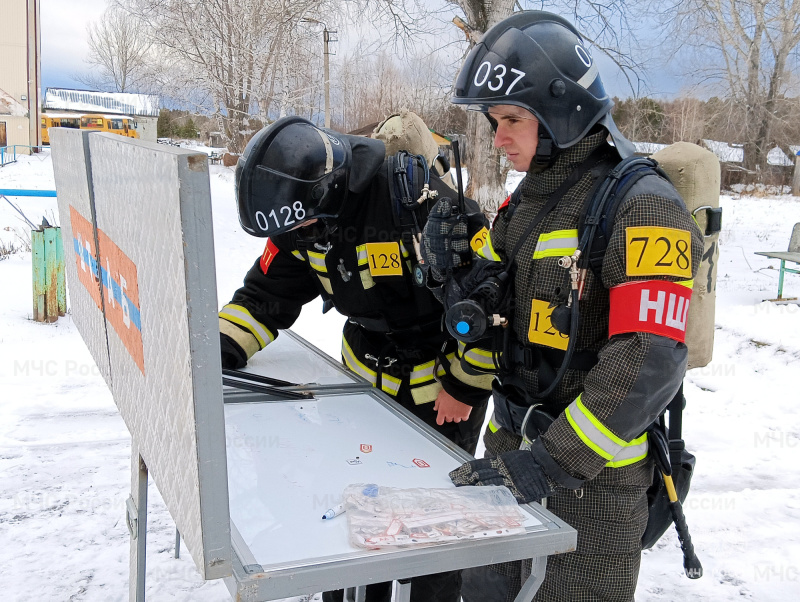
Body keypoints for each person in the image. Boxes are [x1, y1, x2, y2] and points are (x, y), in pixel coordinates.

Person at [422, 11, 704, 602]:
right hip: (509, 453)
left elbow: (648, 360)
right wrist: (448, 268)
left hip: (591, 489)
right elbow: (493, 304)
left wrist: (549, 464)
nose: (499, 137)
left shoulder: (644, 207)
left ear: (561, 111)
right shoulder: (530, 198)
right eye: (494, 121)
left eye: (511, 119)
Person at [218, 114, 491, 602]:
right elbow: (265, 296)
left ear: (325, 192)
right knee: (356, 515)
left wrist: (465, 387)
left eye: (301, 223)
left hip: (442, 394)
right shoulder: (300, 221)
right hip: (363, 388)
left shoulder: (419, 202)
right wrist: (219, 349)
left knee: (433, 524)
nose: (299, 234)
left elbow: (488, 304)